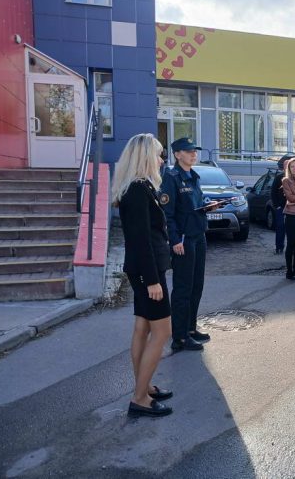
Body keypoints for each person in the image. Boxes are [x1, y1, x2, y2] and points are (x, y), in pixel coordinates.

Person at [112, 133, 173, 418]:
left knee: (143, 328)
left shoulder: (140, 186)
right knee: (162, 332)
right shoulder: (137, 190)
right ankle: (140, 398)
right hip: (147, 272)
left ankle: (144, 387)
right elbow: (141, 240)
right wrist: (152, 281)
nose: (161, 160)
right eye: (159, 154)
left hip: (144, 270)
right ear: (146, 156)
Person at [160, 137, 220, 352]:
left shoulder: (193, 176)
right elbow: (167, 214)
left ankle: (190, 328)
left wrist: (208, 205)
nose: (194, 154)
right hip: (184, 240)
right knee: (183, 288)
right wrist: (175, 239)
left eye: (195, 150)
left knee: (196, 285)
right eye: (188, 151)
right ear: (177, 155)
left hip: (198, 235)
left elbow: (197, 202)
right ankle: (180, 337)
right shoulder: (171, 178)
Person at [271, 161, 287, 255]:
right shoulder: (279, 177)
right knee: (280, 226)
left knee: (291, 229)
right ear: (283, 167)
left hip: (293, 207)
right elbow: (273, 192)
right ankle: (279, 247)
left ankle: (292, 248)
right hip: (281, 208)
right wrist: (277, 206)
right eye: (286, 165)